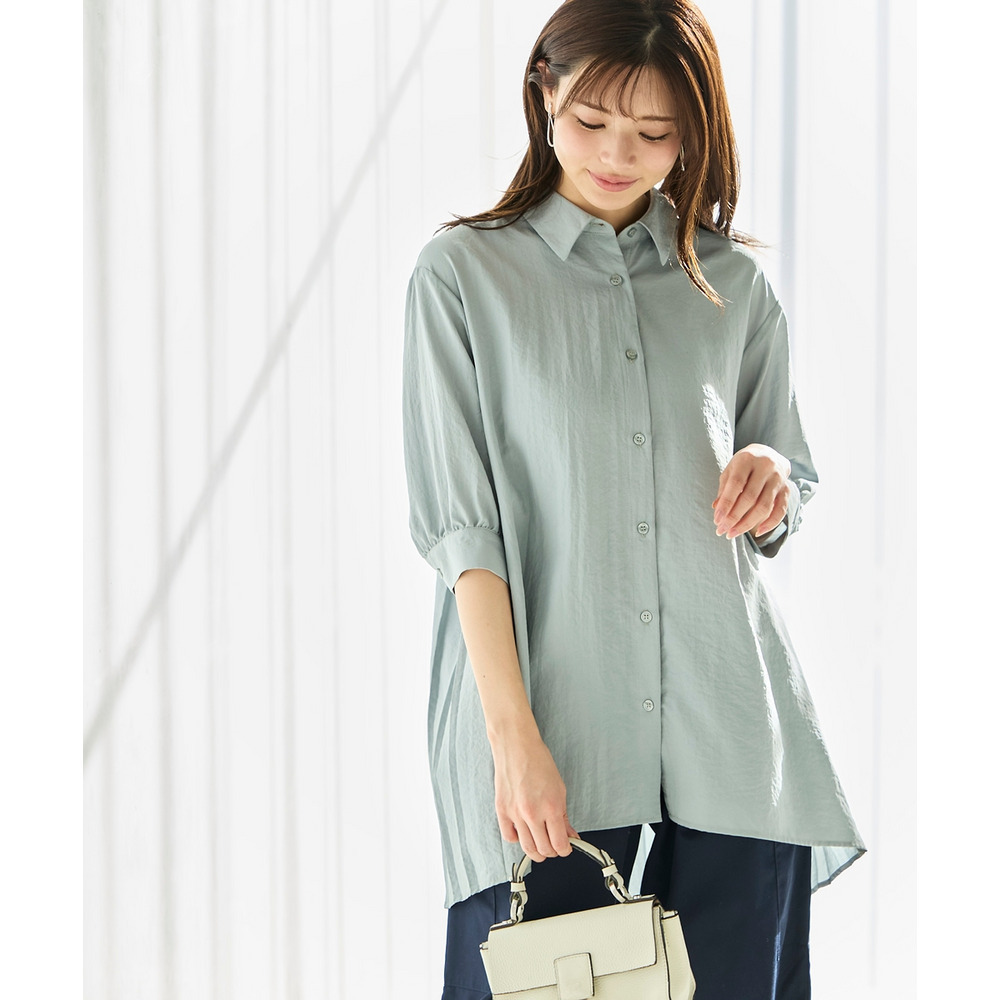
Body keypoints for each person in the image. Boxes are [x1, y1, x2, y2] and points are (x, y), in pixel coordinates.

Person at [401, 1, 867, 997]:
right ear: (544, 93)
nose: (618, 154)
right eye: (591, 121)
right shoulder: (463, 277)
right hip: (551, 742)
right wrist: (512, 741)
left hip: (732, 740)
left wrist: (770, 474)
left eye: (655, 133)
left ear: (693, 132)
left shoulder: (731, 286)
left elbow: (785, 472)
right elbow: (463, 533)